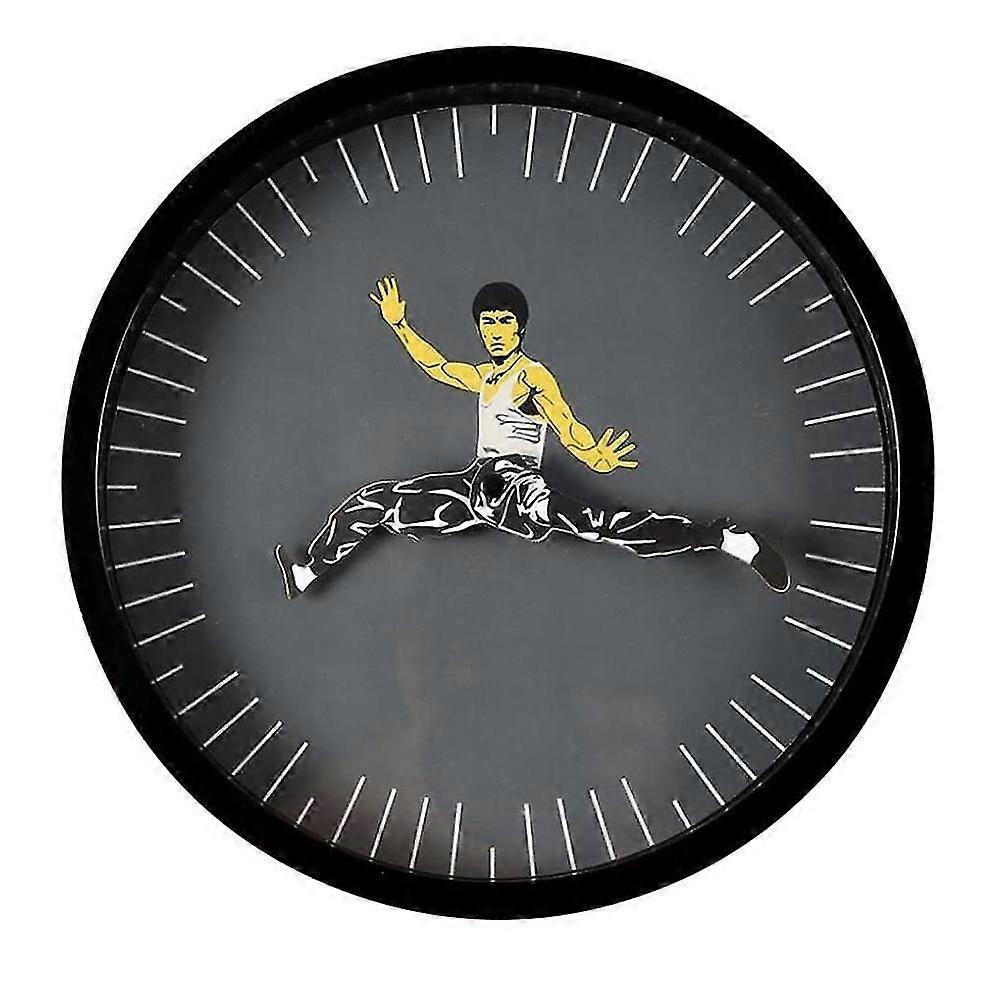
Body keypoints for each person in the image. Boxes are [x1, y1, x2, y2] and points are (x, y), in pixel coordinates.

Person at [274, 276, 788, 598]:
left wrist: (593, 454)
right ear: (480, 329)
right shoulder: (485, 376)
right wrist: (400, 325)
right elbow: (438, 366)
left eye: (505, 322)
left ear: (519, 328)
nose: (495, 330)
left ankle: (726, 539)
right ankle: (308, 572)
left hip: (518, 485)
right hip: (475, 488)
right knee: (376, 501)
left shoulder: (532, 376)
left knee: (600, 526)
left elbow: (565, 422)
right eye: (487, 322)